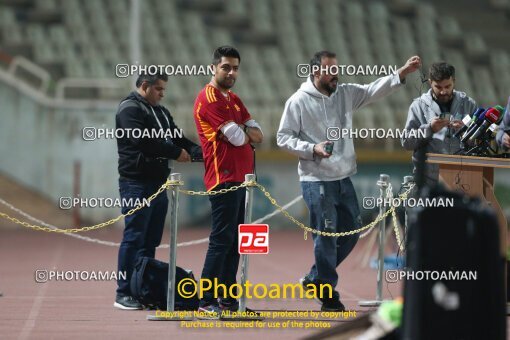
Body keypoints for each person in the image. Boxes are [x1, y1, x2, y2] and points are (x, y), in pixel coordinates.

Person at [277, 51, 421, 311]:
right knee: (327, 236)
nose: (335, 74)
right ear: (315, 72)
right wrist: (312, 148)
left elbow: (371, 90)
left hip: (344, 177)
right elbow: (283, 137)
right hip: (316, 179)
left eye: (336, 69)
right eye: (330, 69)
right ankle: (327, 293)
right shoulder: (297, 101)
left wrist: (401, 73)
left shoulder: (345, 93)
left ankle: (315, 277)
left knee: (352, 232)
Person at [114, 73, 202, 310]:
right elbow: (143, 142)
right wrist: (175, 153)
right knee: (134, 237)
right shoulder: (129, 109)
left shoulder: (161, 112)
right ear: (145, 86)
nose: (163, 94)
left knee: (150, 240)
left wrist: (198, 151)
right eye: (159, 89)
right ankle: (122, 293)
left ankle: (141, 288)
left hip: (158, 184)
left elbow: (175, 136)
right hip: (136, 183)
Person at [193, 46, 263, 319]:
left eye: (235, 68)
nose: (232, 72)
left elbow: (258, 135)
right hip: (223, 179)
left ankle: (227, 300)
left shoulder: (234, 98)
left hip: (241, 181)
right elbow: (238, 137)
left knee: (235, 243)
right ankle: (205, 299)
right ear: (213, 68)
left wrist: (243, 131)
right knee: (221, 241)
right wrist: (244, 131)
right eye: (226, 67)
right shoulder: (208, 98)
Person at [401, 62, 477, 185]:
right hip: (427, 181)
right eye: (439, 87)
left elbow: (478, 144)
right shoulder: (418, 106)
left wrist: (466, 131)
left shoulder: (469, 104)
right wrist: (429, 129)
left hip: (463, 180)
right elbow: (406, 142)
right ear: (430, 83)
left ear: (454, 81)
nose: (443, 91)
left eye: (447, 86)